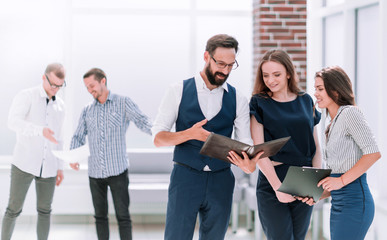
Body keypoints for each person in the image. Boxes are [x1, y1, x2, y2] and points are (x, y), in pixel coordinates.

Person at [152, 34, 252, 240]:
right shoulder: (177, 90)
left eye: (231, 65)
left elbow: (246, 144)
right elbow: (158, 138)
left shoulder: (239, 99)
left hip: (221, 180)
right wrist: (190, 134)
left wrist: (248, 163)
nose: (225, 71)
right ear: (207, 56)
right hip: (185, 178)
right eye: (221, 63)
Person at [228, 49, 322, 240]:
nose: (271, 80)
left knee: (299, 237)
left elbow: (316, 146)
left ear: (288, 73)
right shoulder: (259, 102)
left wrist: (315, 182)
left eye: (276, 74)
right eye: (266, 75)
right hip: (274, 179)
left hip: (304, 178)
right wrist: (278, 187)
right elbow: (259, 150)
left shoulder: (306, 100)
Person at [69, 68, 152, 240]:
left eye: (92, 85)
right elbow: (78, 135)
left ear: (103, 81)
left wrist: (163, 135)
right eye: (86, 87)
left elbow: (142, 121)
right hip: (95, 173)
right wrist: (73, 156)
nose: (89, 89)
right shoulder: (87, 110)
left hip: (118, 172)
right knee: (100, 217)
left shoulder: (123, 103)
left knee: (123, 216)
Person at [308, 66, 380, 240]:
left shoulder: (350, 113)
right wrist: (321, 194)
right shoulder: (331, 123)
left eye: (320, 89)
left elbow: (373, 153)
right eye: (315, 89)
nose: (315, 94)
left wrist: (339, 181)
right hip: (339, 201)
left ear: (335, 91)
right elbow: (340, 174)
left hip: (355, 202)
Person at [1, 63, 66, 240]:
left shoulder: (60, 106)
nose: (56, 89)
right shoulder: (26, 96)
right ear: (43, 77)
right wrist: (39, 130)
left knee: (45, 211)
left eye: (60, 86)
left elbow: (58, 139)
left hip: (50, 167)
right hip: (24, 163)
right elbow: (12, 122)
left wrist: (60, 168)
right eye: (53, 84)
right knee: (13, 209)